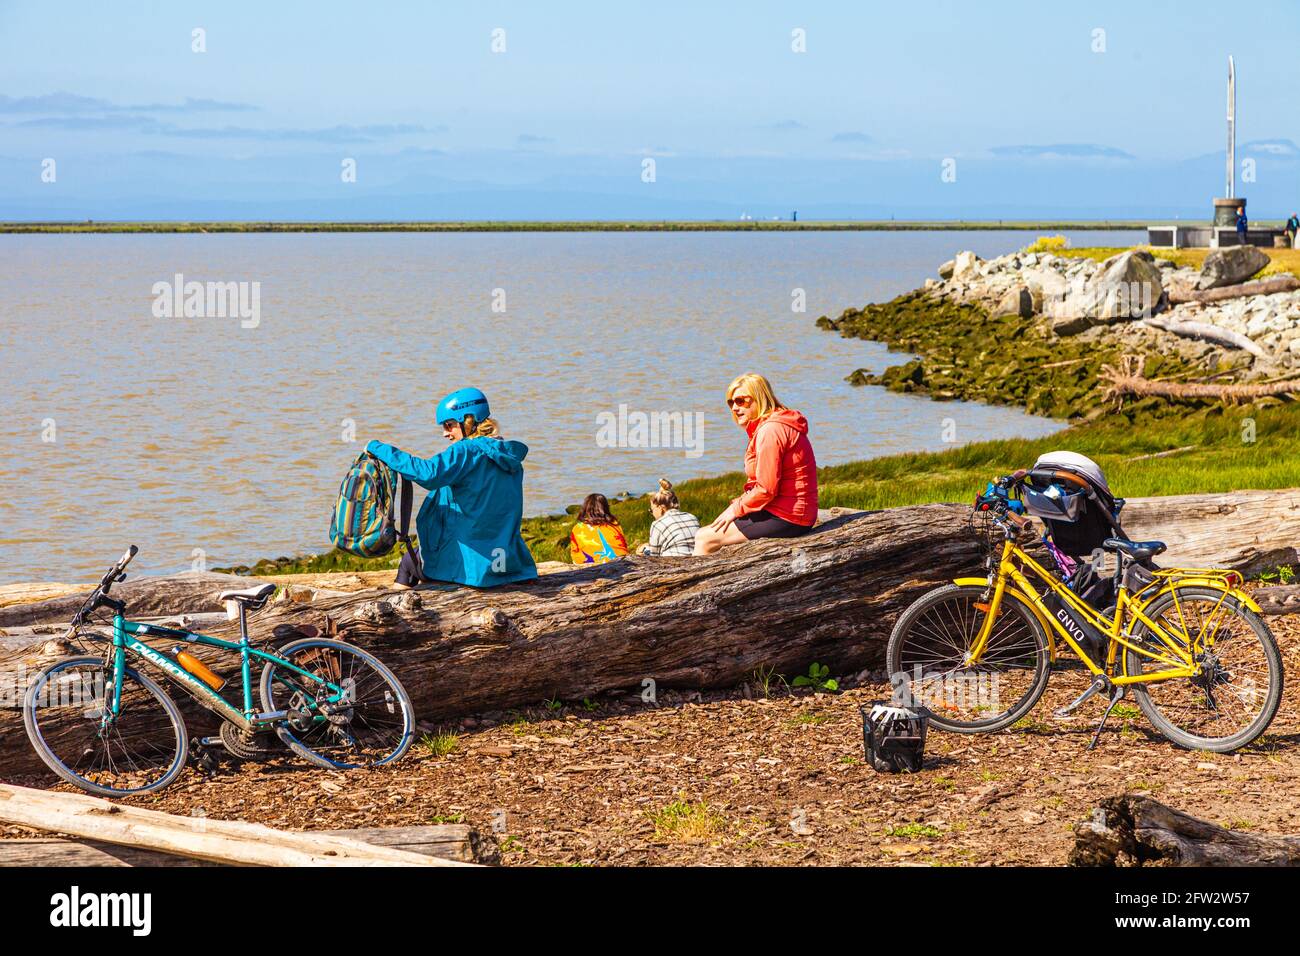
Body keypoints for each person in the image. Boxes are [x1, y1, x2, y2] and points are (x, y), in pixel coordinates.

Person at [365, 387, 538, 588]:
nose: (445, 433)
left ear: (469, 420)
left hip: (472, 567)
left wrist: (378, 448)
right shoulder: (509, 457)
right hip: (509, 563)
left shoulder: (466, 451)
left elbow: (426, 473)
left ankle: (396, 615)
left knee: (408, 563)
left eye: (449, 425)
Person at [694, 373, 818, 555]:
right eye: (731, 403)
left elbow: (766, 489)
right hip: (788, 511)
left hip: (789, 516)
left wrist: (735, 509)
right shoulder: (773, 424)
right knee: (715, 529)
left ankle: (701, 583)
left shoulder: (770, 431)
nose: (735, 408)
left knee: (704, 538)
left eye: (741, 401)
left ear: (759, 398)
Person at [639, 479, 700, 557]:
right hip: (695, 561)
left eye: (651, 510)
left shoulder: (657, 524)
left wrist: (644, 550)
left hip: (671, 565)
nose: (652, 513)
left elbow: (654, 556)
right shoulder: (692, 517)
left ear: (661, 508)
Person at [569, 493, 629, 564]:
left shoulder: (578, 528)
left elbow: (574, 554)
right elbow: (623, 544)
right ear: (605, 508)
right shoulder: (614, 524)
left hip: (594, 567)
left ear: (585, 508)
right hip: (623, 562)